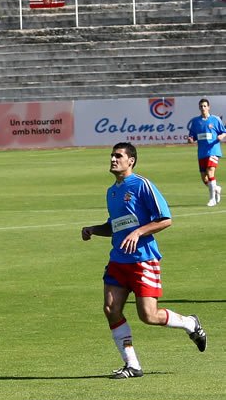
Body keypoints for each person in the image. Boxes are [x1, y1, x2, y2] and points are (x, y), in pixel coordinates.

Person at [80, 142, 206, 380]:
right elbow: (115, 226)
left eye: (118, 156)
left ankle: (190, 323)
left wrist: (139, 232)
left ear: (131, 161)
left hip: (143, 260)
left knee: (148, 316)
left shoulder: (142, 185)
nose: (113, 159)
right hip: (118, 260)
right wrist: (94, 229)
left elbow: (165, 219)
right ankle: (132, 365)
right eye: (112, 155)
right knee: (110, 309)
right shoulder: (112, 191)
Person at [185, 98, 226, 206]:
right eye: (201, 106)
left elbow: (224, 131)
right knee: (204, 178)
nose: (203, 108)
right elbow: (192, 136)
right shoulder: (195, 121)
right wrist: (190, 140)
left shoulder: (215, 120)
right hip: (202, 152)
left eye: (205, 106)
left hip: (213, 150)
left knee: (210, 171)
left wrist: (222, 135)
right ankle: (216, 188)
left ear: (208, 107)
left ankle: (212, 199)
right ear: (199, 108)